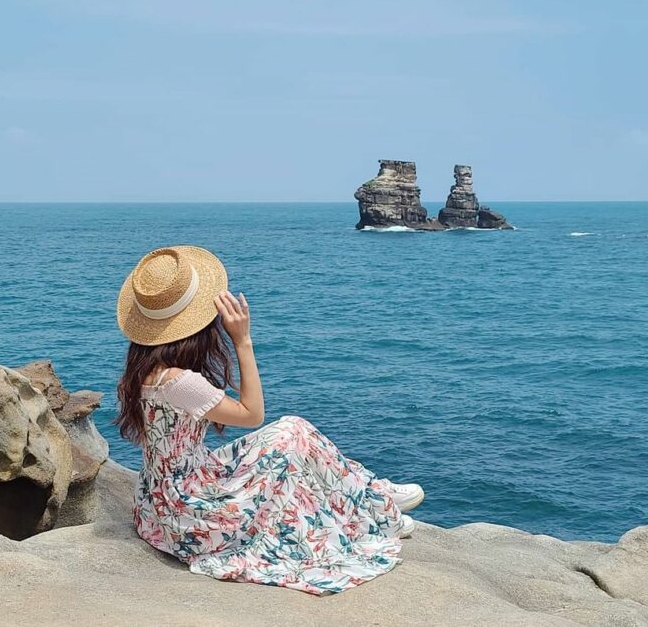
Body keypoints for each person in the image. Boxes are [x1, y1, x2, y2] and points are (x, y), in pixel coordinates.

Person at [113, 245, 425, 595]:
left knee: (293, 433)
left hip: (160, 504)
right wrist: (243, 340)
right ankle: (376, 502)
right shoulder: (179, 382)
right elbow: (253, 414)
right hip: (192, 511)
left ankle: (370, 497)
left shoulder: (144, 372)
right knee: (293, 430)